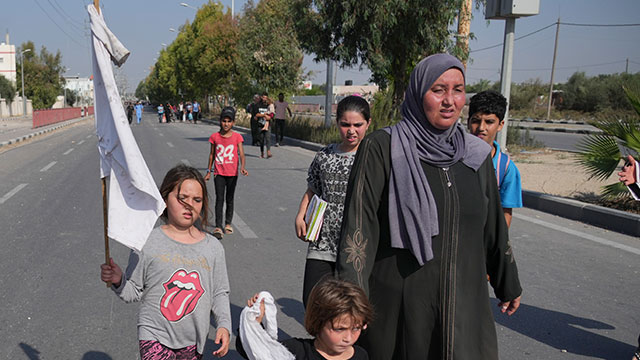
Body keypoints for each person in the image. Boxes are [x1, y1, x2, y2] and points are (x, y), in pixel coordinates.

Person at [336, 54, 522, 359]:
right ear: (418, 93)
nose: (449, 100)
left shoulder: (476, 156)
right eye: (438, 90)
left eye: (458, 90)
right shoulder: (384, 147)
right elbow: (359, 226)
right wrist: (352, 300)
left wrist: (507, 282)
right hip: (401, 306)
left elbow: (492, 226)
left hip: (465, 305)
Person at [100, 164, 231, 359]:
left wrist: (224, 325)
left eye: (197, 200)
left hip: (194, 341)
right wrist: (119, 281)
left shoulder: (213, 248)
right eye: (182, 198)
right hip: (154, 335)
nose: (189, 205)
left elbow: (219, 293)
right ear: (165, 199)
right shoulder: (146, 241)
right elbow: (133, 291)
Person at [295, 95, 371, 307]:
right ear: (337, 122)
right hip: (322, 242)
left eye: (358, 125)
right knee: (313, 301)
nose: (351, 130)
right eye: (345, 124)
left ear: (368, 123)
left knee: (350, 308)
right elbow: (313, 189)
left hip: (356, 246)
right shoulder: (325, 155)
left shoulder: (373, 158)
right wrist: (301, 215)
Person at [238, 278, 373, 360]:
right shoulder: (296, 351)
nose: (348, 338)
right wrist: (254, 322)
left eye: (356, 328)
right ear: (318, 322)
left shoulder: (360, 355)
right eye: (340, 329)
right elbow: (252, 349)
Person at [467, 90, 523, 227]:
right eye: (476, 121)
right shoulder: (455, 158)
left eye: (489, 122)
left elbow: (506, 212)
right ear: (468, 122)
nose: (481, 128)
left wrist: (499, 245)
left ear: (500, 125)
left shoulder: (505, 168)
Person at [204, 106, 249, 239]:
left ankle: (228, 223)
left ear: (233, 123)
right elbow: (211, 155)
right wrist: (208, 171)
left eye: (229, 121)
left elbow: (241, 154)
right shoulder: (215, 137)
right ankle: (218, 226)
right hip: (219, 173)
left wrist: (242, 167)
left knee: (230, 199)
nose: (226, 124)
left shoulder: (237, 137)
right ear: (220, 121)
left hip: (232, 174)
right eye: (224, 121)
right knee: (220, 198)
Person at [256, 93, 273, 158]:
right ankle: (262, 153)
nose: (264, 99)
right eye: (263, 97)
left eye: (266, 98)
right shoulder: (258, 105)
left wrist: (270, 117)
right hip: (260, 124)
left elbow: (272, 113)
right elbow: (256, 114)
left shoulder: (269, 105)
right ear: (261, 97)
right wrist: (263, 115)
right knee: (261, 140)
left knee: (268, 138)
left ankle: (268, 151)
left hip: (268, 124)